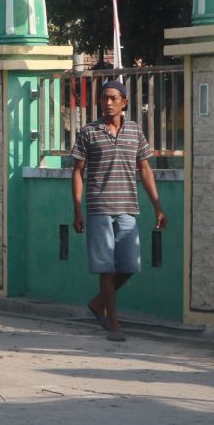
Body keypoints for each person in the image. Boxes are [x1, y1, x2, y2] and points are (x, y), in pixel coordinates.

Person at [71, 79, 167, 342]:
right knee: (106, 268)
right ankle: (113, 324)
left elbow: (145, 169)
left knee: (128, 266)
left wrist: (157, 205)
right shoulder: (89, 132)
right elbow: (78, 172)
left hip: (127, 208)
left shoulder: (135, 132)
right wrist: (77, 210)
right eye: (104, 98)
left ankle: (98, 303)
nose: (108, 102)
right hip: (99, 208)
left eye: (114, 98)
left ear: (124, 102)